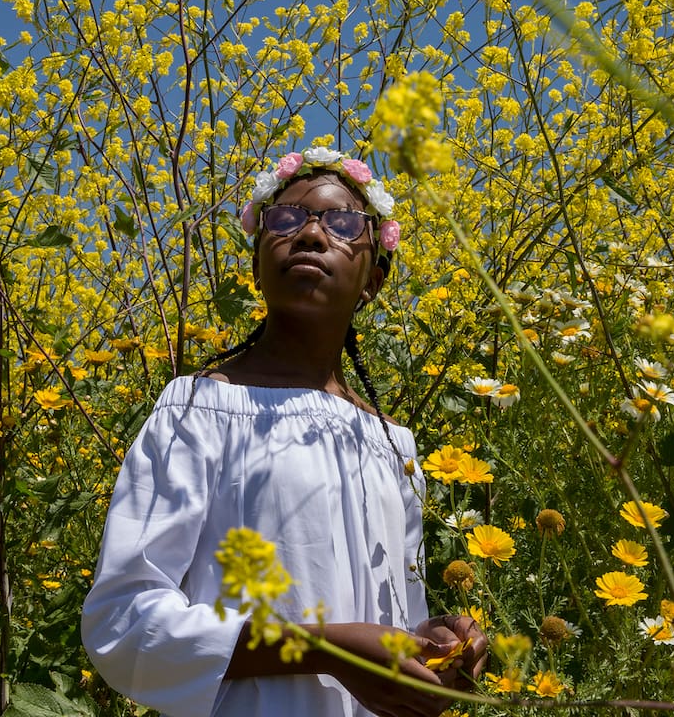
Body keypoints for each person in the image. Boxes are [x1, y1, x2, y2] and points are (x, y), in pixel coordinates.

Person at [81, 147, 487, 717]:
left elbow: (390, 624)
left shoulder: (394, 445)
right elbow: (126, 621)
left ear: (373, 279)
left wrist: (436, 643)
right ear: (256, 265)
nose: (312, 235)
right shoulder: (198, 409)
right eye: (286, 220)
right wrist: (322, 649)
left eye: (344, 223)